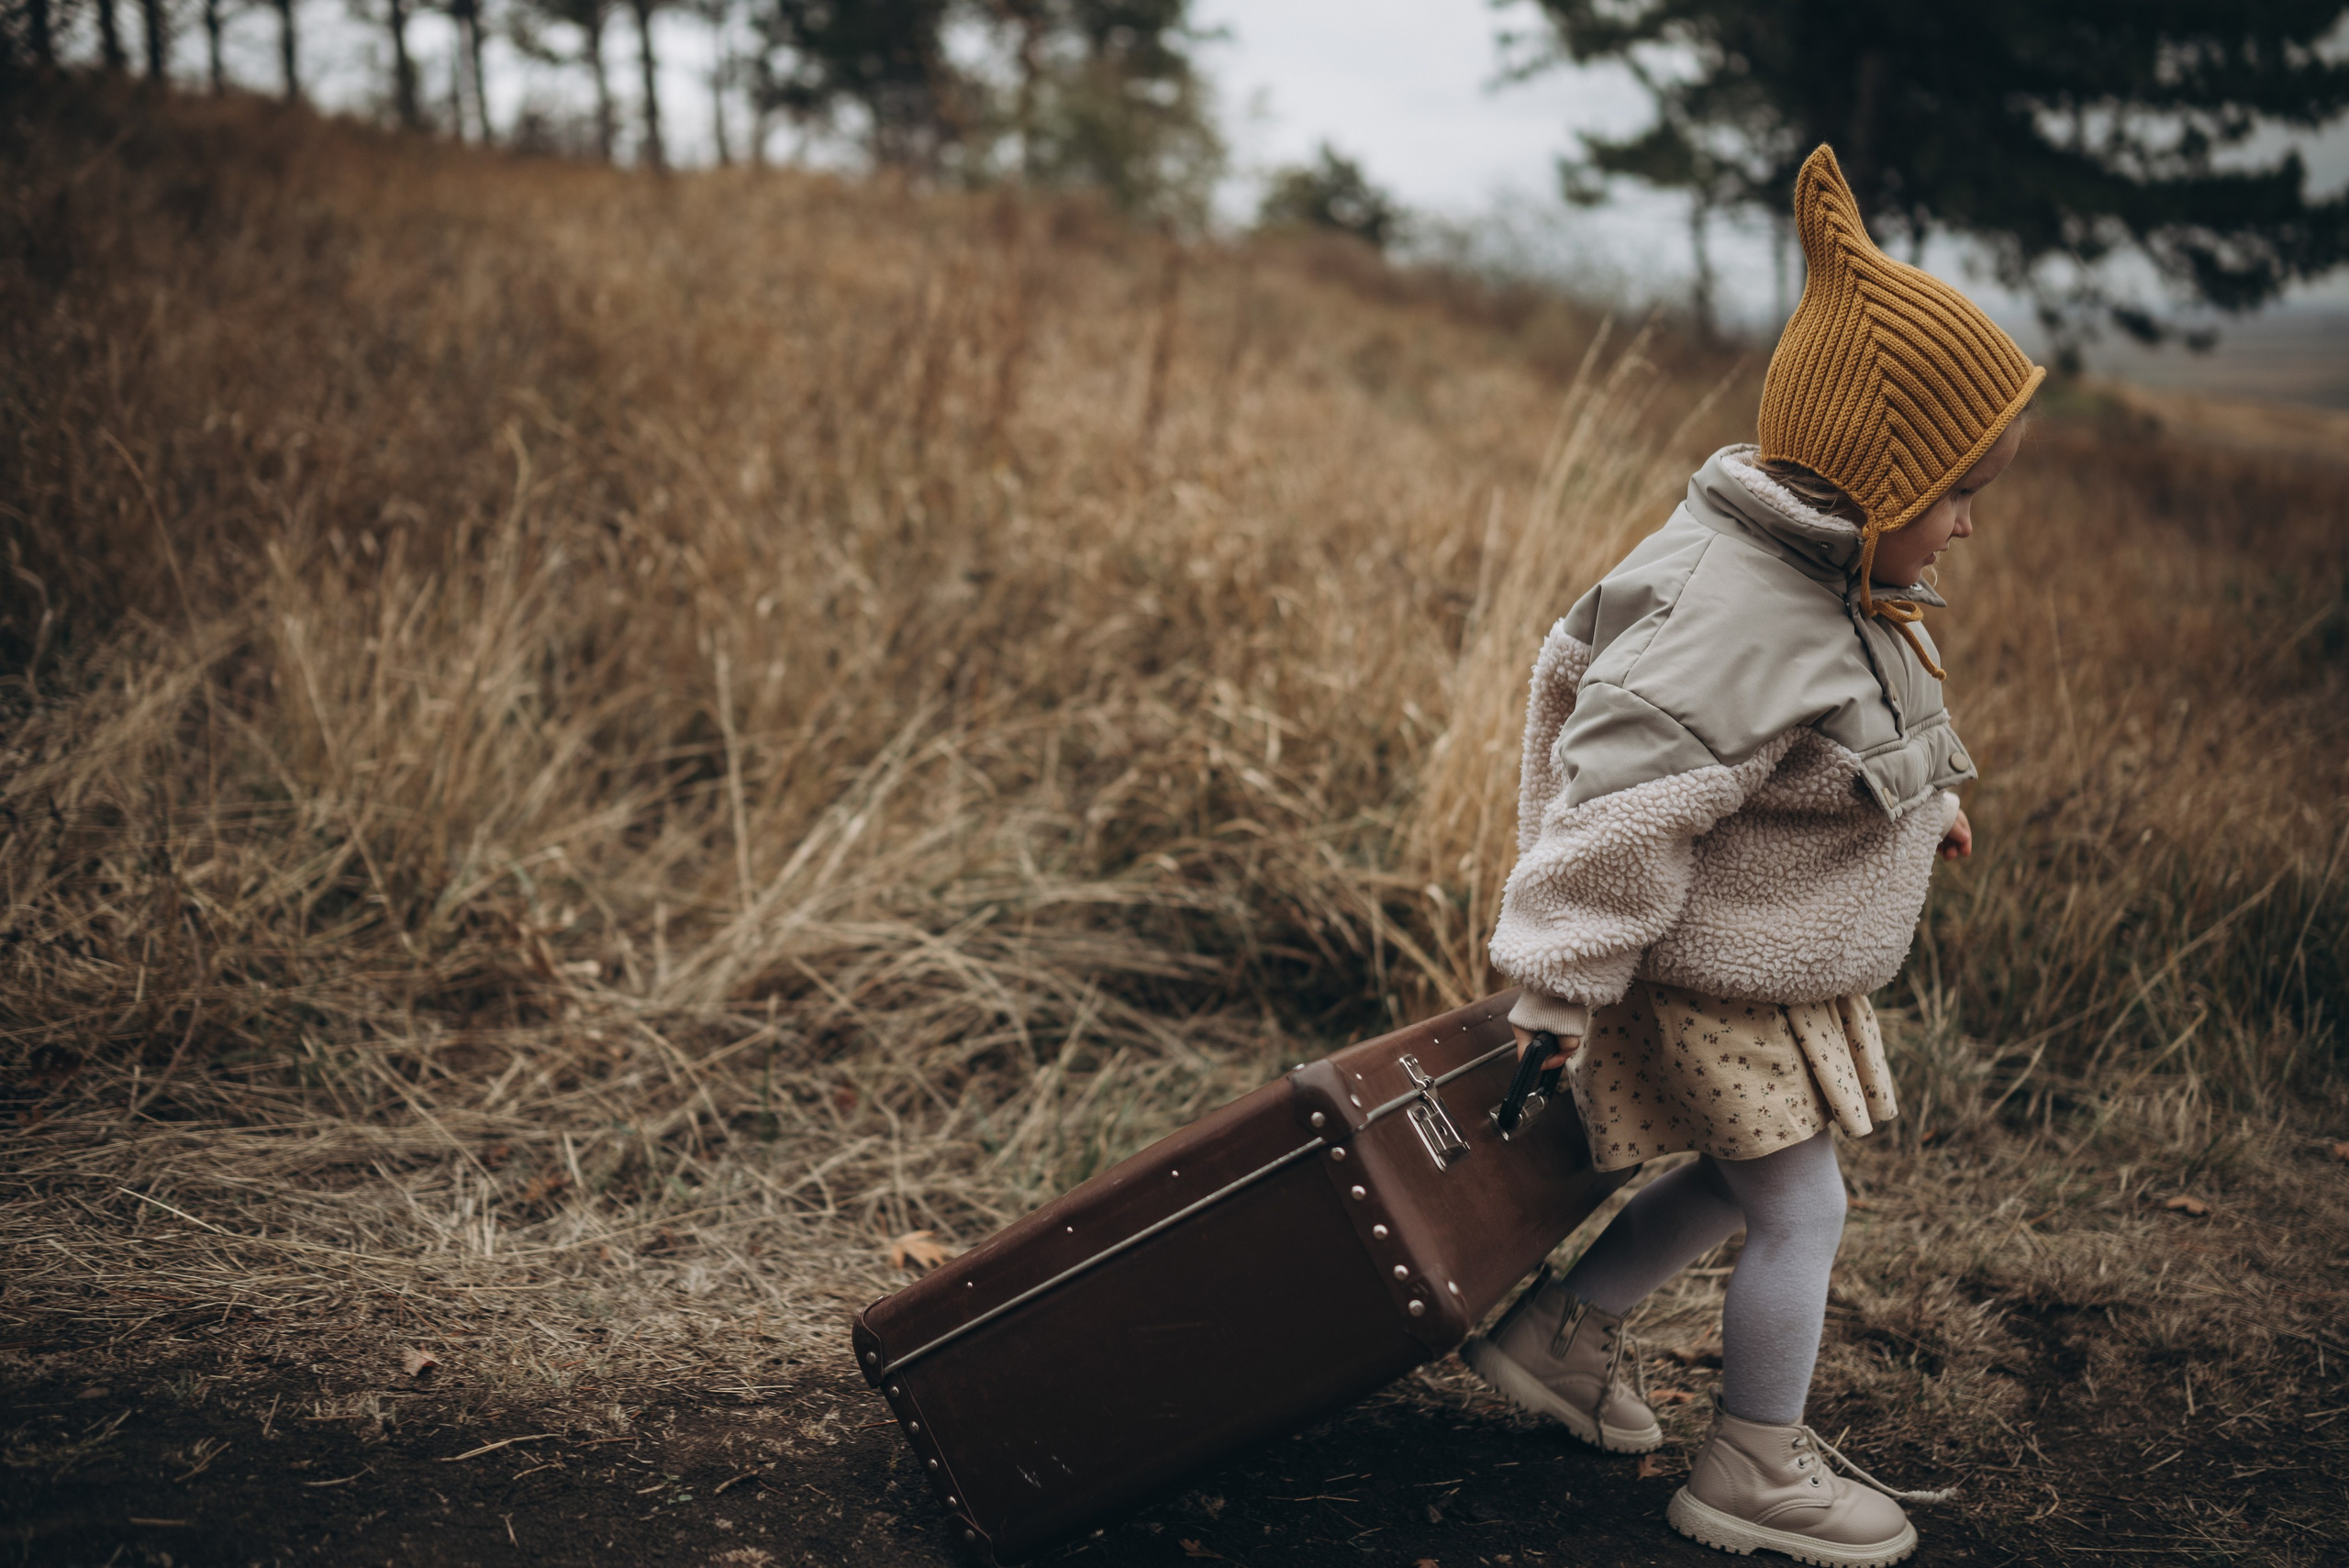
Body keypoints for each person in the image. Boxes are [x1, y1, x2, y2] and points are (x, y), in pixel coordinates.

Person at [1462, 144, 2040, 1568]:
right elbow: (1620, 811)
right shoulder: (1741, 617)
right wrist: (1555, 990)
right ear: (1874, 476)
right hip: (1719, 976)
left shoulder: (1828, 578)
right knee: (1803, 1203)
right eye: (1955, 489)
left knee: (1740, 1179)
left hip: (1765, 967)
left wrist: (1923, 805)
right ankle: (1754, 1467)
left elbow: (1845, 735)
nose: (1967, 521)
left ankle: (1561, 1333)